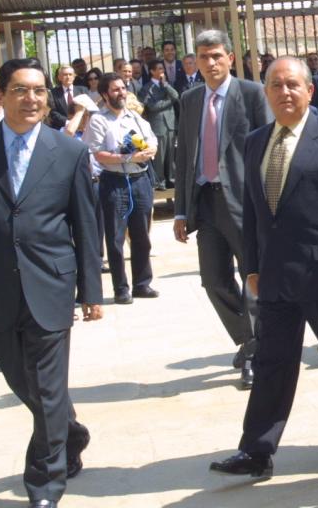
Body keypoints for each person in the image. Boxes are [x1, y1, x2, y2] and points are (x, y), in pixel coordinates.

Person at [0, 58, 102, 508]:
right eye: (20, 90)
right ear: (1, 96)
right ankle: (69, 432)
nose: (31, 99)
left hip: (50, 285)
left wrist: (91, 291)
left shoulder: (67, 151)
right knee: (22, 382)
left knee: (49, 388)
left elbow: (86, 226)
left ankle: (45, 485)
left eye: (38, 91)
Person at [207, 56, 318, 476]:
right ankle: (257, 451)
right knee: (272, 362)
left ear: (309, 90)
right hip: (275, 276)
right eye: (276, 85)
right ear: (266, 92)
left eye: (293, 85)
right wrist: (252, 267)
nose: (285, 93)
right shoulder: (257, 140)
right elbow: (252, 211)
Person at [174, 29, 269, 390]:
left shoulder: (251, 94)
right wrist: (181, 210)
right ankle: (249, 340)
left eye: (217, 56)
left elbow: (266, 150)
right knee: (213, 280)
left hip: (245, 203)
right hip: (206, 203)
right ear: (195, 62)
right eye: (203, 57)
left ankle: (255, 354)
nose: (211, 63)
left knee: (253, 278)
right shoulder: (191, 98)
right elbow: (185, 155)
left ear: (230, 57)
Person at [84, 73, 159, 305]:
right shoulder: (98, 120)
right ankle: (121, 289)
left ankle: (142, 283)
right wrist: (127, 157)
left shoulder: (135, 118)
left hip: (140, 181)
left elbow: (153, 141)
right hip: (114, 182)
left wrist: (148, 151)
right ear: (105, 94)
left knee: (142, 236)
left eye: (123, 88)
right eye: (116, 90)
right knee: (115, 238)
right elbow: (96, 153)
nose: (121, 93)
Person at [139, 59, 180, 190]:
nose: (162, 71)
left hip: (170, 124)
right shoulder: (146, 88)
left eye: (163, 69)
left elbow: (176, 95)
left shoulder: (167, 85)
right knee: (159, 157)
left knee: (170, 154)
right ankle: (159, 181)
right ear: (152, 71)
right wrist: (169, 101)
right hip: (157, 125)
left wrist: (166, 85)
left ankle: (171, 179)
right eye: (159, 69)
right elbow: (152, 107)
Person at [50, 65, 90, 131]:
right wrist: (68, 123)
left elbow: (88, 109)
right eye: (65, 75)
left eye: (70, 74)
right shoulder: (53, 93)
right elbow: (53, 112)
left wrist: (81, 124)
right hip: (62, 129)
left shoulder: (83, 90)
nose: (68, 77)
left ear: (74, 77)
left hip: (82, 129)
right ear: (59, 77)